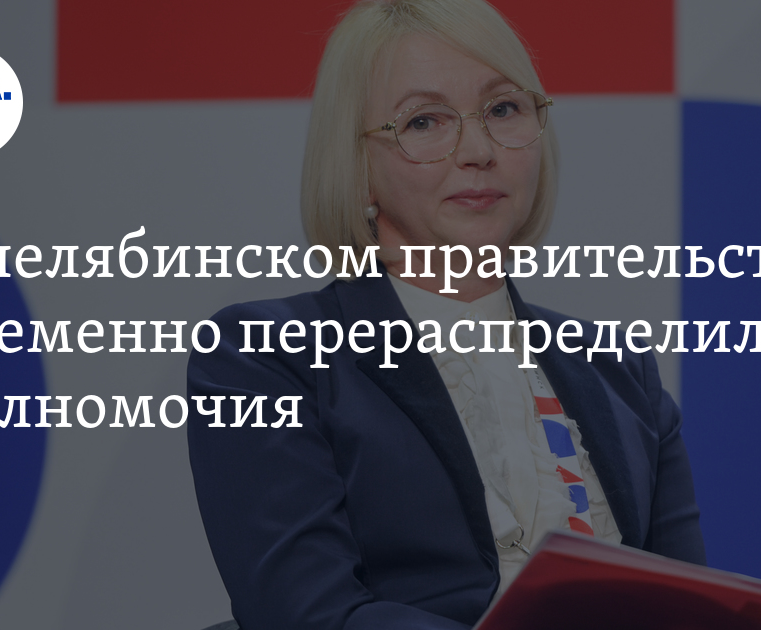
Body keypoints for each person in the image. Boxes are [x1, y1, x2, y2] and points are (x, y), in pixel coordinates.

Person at [186, 1, 705, 628]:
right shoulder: (265, 354)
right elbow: (307, 613)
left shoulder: (620, 370)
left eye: (503, 110)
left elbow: (689, 610)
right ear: (357, 166)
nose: (479, 150)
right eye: (424, 121)